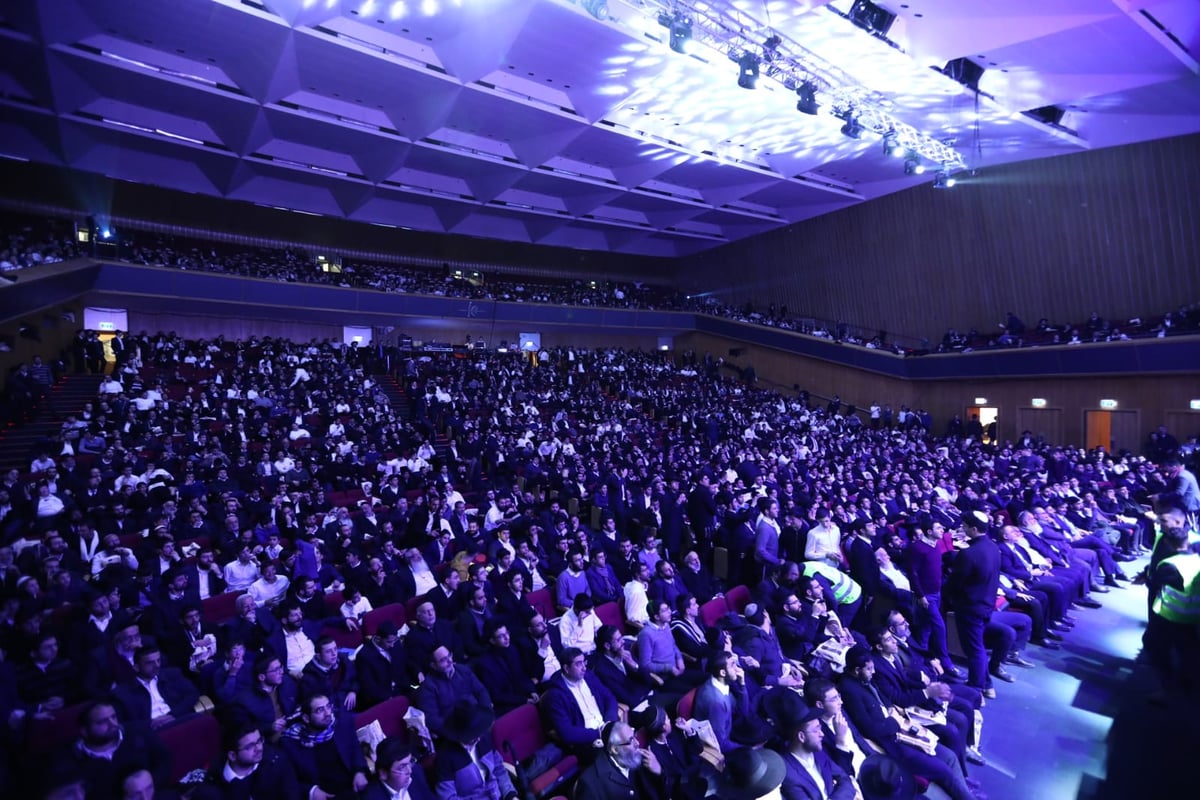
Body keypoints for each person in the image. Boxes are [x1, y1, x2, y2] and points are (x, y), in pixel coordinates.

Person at [947, 511, 1000, 693]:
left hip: (970, 607)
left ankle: (976, 688)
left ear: (974, 529)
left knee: (974, 649)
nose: (962, 529)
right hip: (986, 605)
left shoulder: (968, 554)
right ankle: (987, 684)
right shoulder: (993, 547)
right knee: (978, 646)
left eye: (965, 526)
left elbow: (956, 582)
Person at [279, 692, 369, 799]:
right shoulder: (290, 742)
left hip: (352, 788)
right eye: (320, 710)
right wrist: (311, 791)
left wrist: (359, 771)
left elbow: (355, 749)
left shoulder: (342, 723)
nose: (328, 713)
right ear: (306, 718)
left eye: (328, 706)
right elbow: (287, 779)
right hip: (321, 795)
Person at [541, 646, 618, 758]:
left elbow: (609, 698)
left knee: (633, 736)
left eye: (584, 662)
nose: (584, 668)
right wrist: (599, 733)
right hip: (587, 742)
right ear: (566, 668)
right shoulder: (555, 695)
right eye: (578, 664)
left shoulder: (589, 676)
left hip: (606, 726)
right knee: (618, 753)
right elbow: (567, 732)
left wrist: (609, 722)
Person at [431, 701, 518, 800]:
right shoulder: (444, 758)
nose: (479, 739)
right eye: (473, 735)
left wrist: (510, 794)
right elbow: (448, 797)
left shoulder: (483, 738)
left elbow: (499, 769)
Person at [193, 722, 300, 800]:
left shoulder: (277, 761)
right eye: (250, 746)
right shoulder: (210, 788)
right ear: (233, 756)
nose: (259, 748)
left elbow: (292, 794)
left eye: (259, 741)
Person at [574, 720, 667, 800]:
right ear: (615, 749)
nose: (637, 743)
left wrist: (659, 772)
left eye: (635, 736)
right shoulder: (590, 784)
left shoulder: (641, 759)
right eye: (630, 740)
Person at [414, 646, 493, 740]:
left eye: (449, 656)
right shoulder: (428, 687)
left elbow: (481, 691)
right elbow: (431, 719)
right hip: (455, 731)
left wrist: (486, 713)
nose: (450, 661)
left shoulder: (463, 670)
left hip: (477, 719)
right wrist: (456, 731)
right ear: (433, 665)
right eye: (443, 660)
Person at [778, 707, 857, 800]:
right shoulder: (787, 772)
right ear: (801, 737)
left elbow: (845, 779)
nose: (822, 734)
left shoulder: (818, 753)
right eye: (816, 730)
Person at [692, 650, 751, 754]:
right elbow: (720, 743)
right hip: (720, 745)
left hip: (728, 727)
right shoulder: (716, 703)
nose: (738, 669)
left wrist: (742, 684)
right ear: (722, 672)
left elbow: (742, 711)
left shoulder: (720, 682)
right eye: (733, 666)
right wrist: (747, 749)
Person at [360, 737, 436, 800]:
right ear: (383, 774)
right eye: (402, 767)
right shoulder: (371, 797)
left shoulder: (417, 772)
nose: (409, 771)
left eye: (410, 762)